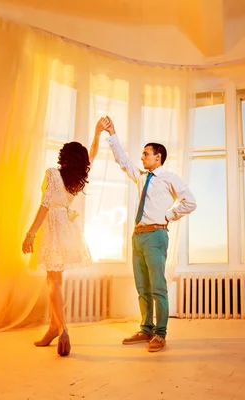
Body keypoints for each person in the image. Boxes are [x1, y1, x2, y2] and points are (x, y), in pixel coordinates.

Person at [100, 115, 196, 352]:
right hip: (137, 237)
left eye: (146, 154)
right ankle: (146, 329)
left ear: (158, 157)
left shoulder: (169, 178)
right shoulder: (142, 178)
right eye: (142, 154)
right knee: (142, 287)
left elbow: (190, 202)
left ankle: (160, 334)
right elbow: (122, 160)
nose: (142, 157)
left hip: (155, 236)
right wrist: (112, 133)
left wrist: (169, 216)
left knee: (157, 287)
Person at [21, 121, 104, 356]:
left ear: (64, 157)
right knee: (56, 280)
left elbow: (45, 204)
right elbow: (92, 155)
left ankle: (63, 328)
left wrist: (31, 233)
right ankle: (53, 328)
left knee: (53, 281)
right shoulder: (76, 180)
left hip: (53, 228)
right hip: (66, 229)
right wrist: (97, 133)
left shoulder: (53, 173)